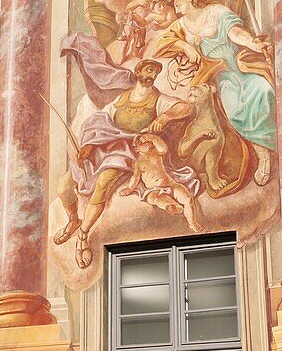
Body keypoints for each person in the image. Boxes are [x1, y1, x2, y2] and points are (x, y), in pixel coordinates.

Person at [55, 58, 194, 268]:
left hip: (128, 151)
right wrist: (89, 147)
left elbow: (186, 108)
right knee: (64, 187)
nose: (152, 75)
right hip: (106, 145)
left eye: (155, 72)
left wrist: (164, 118)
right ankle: (73, 219)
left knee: (103, 183)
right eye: (148, 70)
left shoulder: (158, 99)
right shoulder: (123, 98)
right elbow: (102, 122)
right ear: (138, 72)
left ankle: (83, 235)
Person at [154, 0, 276, 185]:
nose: (176, 7)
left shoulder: (216, 11)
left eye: (179, 2)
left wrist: (253, 44)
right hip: (220, 75)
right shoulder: (181, 25)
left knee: (264, 89)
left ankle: (273, 143)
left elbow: (235, 32)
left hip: (240, 65)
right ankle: (262, 155)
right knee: (236, 109)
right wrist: (185, 45)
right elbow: (160, 45)